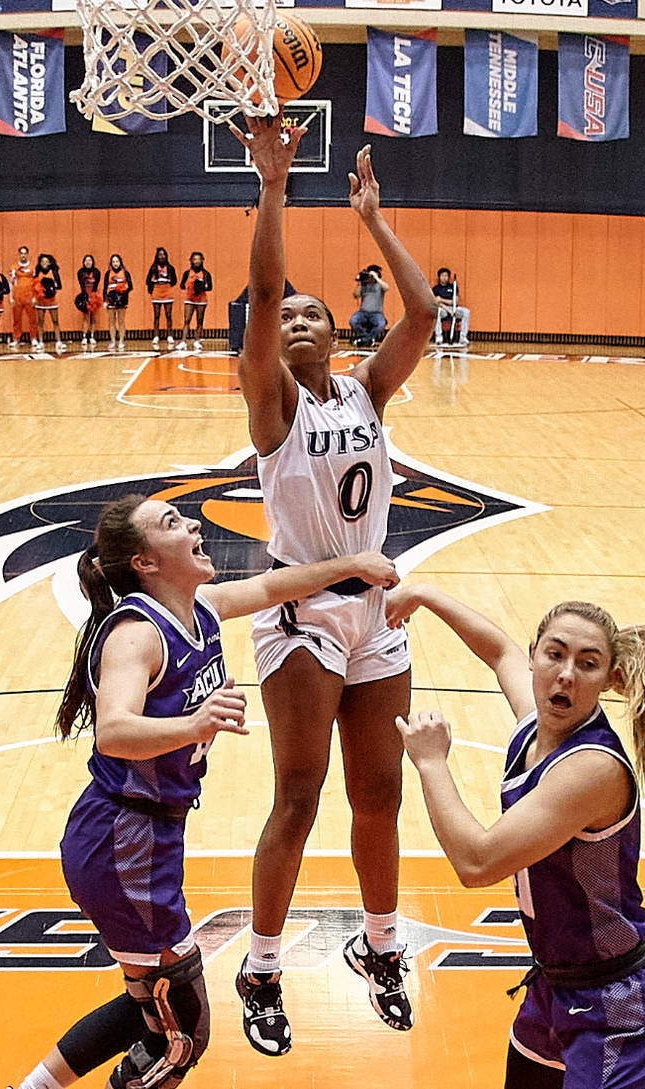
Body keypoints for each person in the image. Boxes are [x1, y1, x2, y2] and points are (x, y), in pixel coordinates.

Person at [9, 496, 397, 1089]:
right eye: (172, 524)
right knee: (181, 1031)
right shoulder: (137, 635)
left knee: (153, 1010)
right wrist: (196, 724)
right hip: (123, 840)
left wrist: (352, 566)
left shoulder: (201, 609)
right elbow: (113, 731)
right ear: (144, 562)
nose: (193, 524)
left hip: (145, 836)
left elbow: (275, 588)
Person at [230, 120, 435, 1051]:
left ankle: (382, 946)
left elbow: (424, 314)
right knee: (300, 792)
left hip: (375, 613)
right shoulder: (269, 401)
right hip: (301, 603)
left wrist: (374, 221)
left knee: (379, 795)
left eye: (317, 313)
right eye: (291, 317)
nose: (302, 321)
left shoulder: (365, 391)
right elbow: (265, 291)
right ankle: (262, 961)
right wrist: (275, 188)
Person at [386, 585, 645, 1089]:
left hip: (617, 1002)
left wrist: (431, 763)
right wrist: (427, 595)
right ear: (536, 657)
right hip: (556, 985)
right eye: (555, 654)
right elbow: (498, 648)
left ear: (610, 679)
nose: (566, 673)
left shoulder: (591, 769)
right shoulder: (536, 726)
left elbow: (477, 864)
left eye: (588, 663)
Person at [179, 252, 213, 352]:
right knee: (187, 320)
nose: (197, 261)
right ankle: (183, 341)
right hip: (189, 299)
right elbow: (181, 285)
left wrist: (202, 286)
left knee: (199, 321)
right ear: (191, 261)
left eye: (199, 259)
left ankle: (197, 340)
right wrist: (191, 285)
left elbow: (210, 287)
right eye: (195, 259)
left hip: (201, 300)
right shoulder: (187, 273)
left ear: (202, 260)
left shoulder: (206, 274)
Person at [146, 248, 179, 350]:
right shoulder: (153, 268)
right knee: (157, 315)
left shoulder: (170, 268)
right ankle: (156, 336)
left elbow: (174, 280)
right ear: (157, 256)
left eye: (163, 254)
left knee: (168, 315)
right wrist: (154, 283)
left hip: (167, 292)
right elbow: (148, 280)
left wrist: (166, 283)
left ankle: (170, 335)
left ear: (166, 256)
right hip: (156, 292)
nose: (162, 257)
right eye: (160, 255)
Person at [349, 265, 389, 347]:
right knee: (353, 321)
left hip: (377, 313)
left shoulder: (380, 285)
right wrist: (360, 283)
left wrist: (376, 278)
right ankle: (368, 339)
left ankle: (364, 340)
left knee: (381, 324)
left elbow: (387, 287)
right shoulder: (364, 285)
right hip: (363, 313)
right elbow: (356, 295)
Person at [430, 267, 470, 348]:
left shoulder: (453, 287)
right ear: (439, 277)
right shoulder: (436, 289)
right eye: (442, 276)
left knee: (466, 312)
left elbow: (455, 301)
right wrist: (448, 310)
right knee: (437, 311)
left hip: (453, 308)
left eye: (446, 276)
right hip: (443, 310)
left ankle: (463, 337)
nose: (444, 277)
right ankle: (439, 337)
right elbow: (437, 303)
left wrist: (442, 299)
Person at [11, 247, 39, 352]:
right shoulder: (14, 267)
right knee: (17, 319)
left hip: (30, 296)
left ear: (27, 254)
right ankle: (16, 339)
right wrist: (10, 297)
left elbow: (37, 283)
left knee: (32, 319)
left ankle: (33, 338)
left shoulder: (33, 267)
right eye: (21, 253)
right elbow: (11, 282)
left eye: (25, 253)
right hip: (17, 296)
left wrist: (35, 296)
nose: (23, 255)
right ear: (19, 255)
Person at [35, 254, 65, 352]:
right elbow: (33, 285)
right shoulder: (37, 273)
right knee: (40, 322)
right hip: (41, 301)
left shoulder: (54, 273)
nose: (44, 263)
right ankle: (40, 341)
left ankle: (58, 341)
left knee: (55, 321)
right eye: (42, 262)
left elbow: (59, 285)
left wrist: (51, 288)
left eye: (46, 262)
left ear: (49, 263)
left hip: (52, 301)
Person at [104, 254, 133, 351]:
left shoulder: (125, 273)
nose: (115, 263)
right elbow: (105, 288)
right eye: (113, 262)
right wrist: (105, 300)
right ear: (111, 263)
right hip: (111, 300)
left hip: (122, 300)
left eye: (117, 261)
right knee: (111, 321)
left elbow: (130, 286)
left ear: (120, 262)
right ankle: (113, 341)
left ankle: (121, 341)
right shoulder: (108, 274)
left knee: (121, 321)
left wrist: (122, 291)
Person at [76, 255, 103, 351]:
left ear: (93, 262)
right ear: (83, 262)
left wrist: (93, 297)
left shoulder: (96, 272)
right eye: (86, 260)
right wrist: (85, 297)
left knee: (93, 317)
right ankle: (84, 336)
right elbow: (81, 284)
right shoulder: (80, 272)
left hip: (94, 295)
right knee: (85, 316)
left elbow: (96, 284)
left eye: (90, 260)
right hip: (84, 295)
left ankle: (92, 336)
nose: (88, 262)